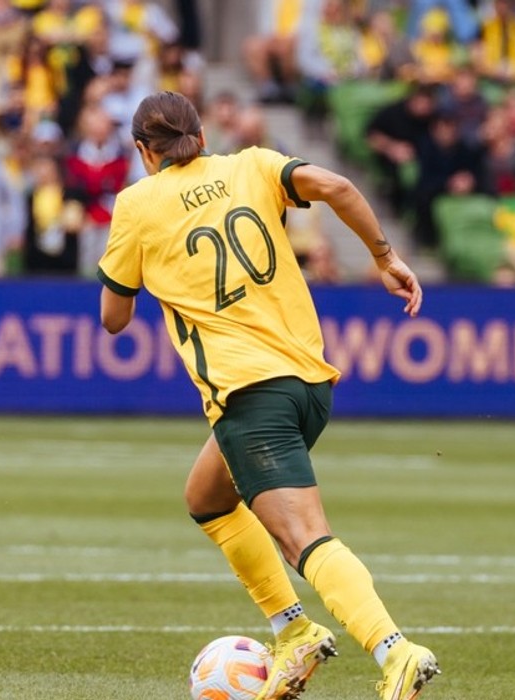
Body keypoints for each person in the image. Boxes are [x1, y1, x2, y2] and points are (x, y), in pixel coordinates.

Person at [97, 91, 438, 700]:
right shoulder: (252, 164)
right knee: (207, 498)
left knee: (303, 537)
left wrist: (157, 265)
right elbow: (335, 186)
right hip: (307, 381)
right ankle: (295, 632)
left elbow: (114, 318)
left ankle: (397, 652)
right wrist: (384, 257)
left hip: (249, 393)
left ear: (143, 151)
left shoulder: (137, 205)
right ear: (202, 137)